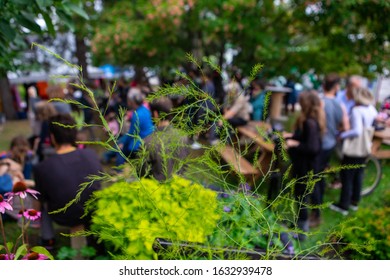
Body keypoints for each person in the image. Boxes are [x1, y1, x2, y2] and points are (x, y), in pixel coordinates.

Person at [33, 114, 102, 249]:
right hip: (94, 209)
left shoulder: (42, 167)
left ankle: (47, 239)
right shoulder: (91, 155)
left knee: (37, 196)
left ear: (52, 137)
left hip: (64, 215)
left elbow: (40, 199)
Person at [330, 87, 378, 215]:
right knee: (358, 175)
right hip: (365, 147)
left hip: (354, 149)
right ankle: (354, 201)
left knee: (347, 176)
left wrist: (342, 135)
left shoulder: (357, 110)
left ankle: (343, 206)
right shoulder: (371, 109)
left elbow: (356, 131)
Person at [284, 90, 325, 239]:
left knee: (301, 197)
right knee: (300, 195)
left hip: (306, 167)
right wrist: (291, 136)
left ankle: (301, 232)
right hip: (305, 165)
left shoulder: (310, 123)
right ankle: (299, 224)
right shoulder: (310, 119)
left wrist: (295, 143)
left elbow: (312, 147)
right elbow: (307, 139)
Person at [310, 74, 349, 227]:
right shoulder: (340, 105)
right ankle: (317, 208)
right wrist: (334, 131)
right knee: (319, 176)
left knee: (314, 178)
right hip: (330, 144)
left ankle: (316, 214)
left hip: (319, 145)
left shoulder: (320, 103)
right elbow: (345, 127)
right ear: (336, 87)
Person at [143, 97, 190, 181]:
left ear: (155, 114)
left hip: (157, 190)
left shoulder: (148, 142)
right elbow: (185, 165)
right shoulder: (183, 136)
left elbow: (143, 174)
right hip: (179, 187)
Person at [103, 89, 154, 166]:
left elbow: (131, 134)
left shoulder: (137, 115)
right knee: (121, 140)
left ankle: (119, 172)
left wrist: (123, 144)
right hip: (147, 137)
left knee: (120, 149)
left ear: (131, 101)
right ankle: (106, 156)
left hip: (141, 141)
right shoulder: (145, 110)